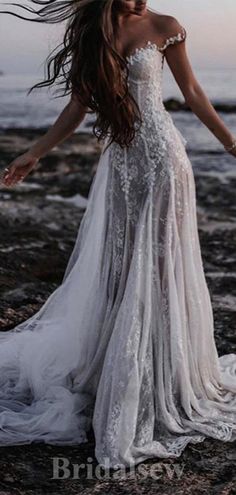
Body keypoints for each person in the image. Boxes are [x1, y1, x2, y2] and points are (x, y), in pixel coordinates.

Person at [0, 0, 236, 471]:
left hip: (166, 162)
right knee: (121, 265)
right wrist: (36, 153)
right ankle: (117, 368)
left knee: (164, 265)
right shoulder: (94, 32)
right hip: (124, 166)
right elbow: (77, 108)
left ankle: (167, 375)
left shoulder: (166, 27)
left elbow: (190, 91)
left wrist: (231, 144)